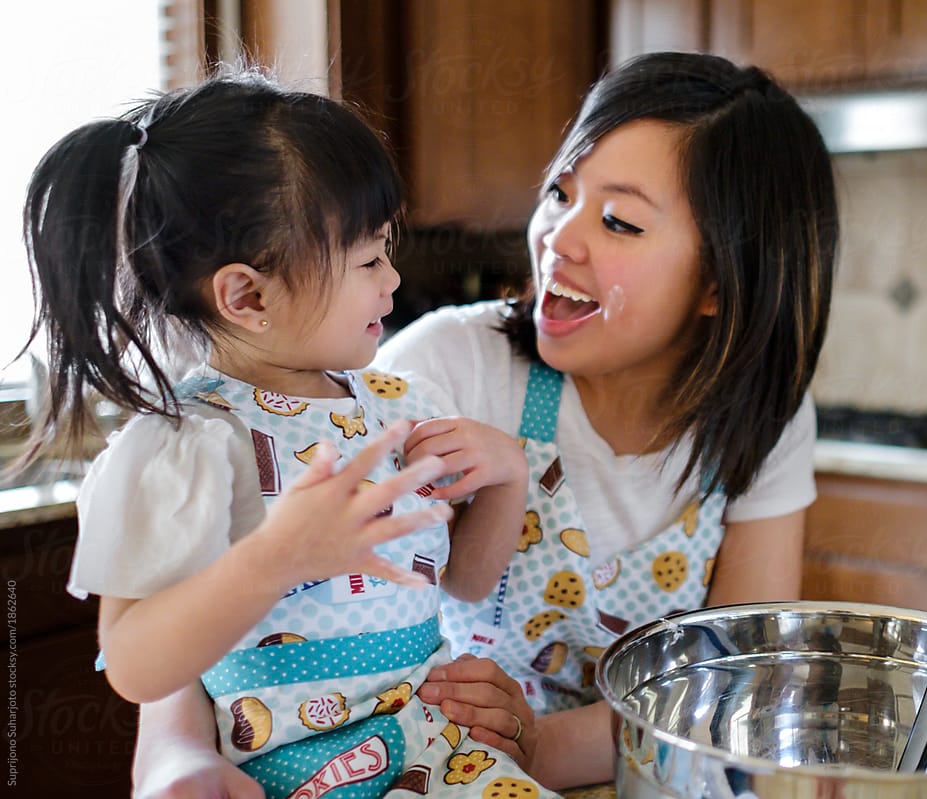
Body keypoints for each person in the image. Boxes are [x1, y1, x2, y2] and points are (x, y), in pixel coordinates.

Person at [132, 50, 839, 795]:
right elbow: (214, 573)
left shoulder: (766, 417)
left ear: (722, 283)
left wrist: (544, 745)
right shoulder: (447, 365)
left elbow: (739, 679)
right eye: (561, 192)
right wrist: (174, 752)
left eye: (620, 221)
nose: (559, 237)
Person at [24, 68, 555, 799]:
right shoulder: (188, 442)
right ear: (248, 294)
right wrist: (275, 558)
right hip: (296, 773)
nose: (393, 281)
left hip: (439, 754)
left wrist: (507, 476)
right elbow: (135, 664)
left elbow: (465, 582)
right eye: (369, 259)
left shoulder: (404, 402)